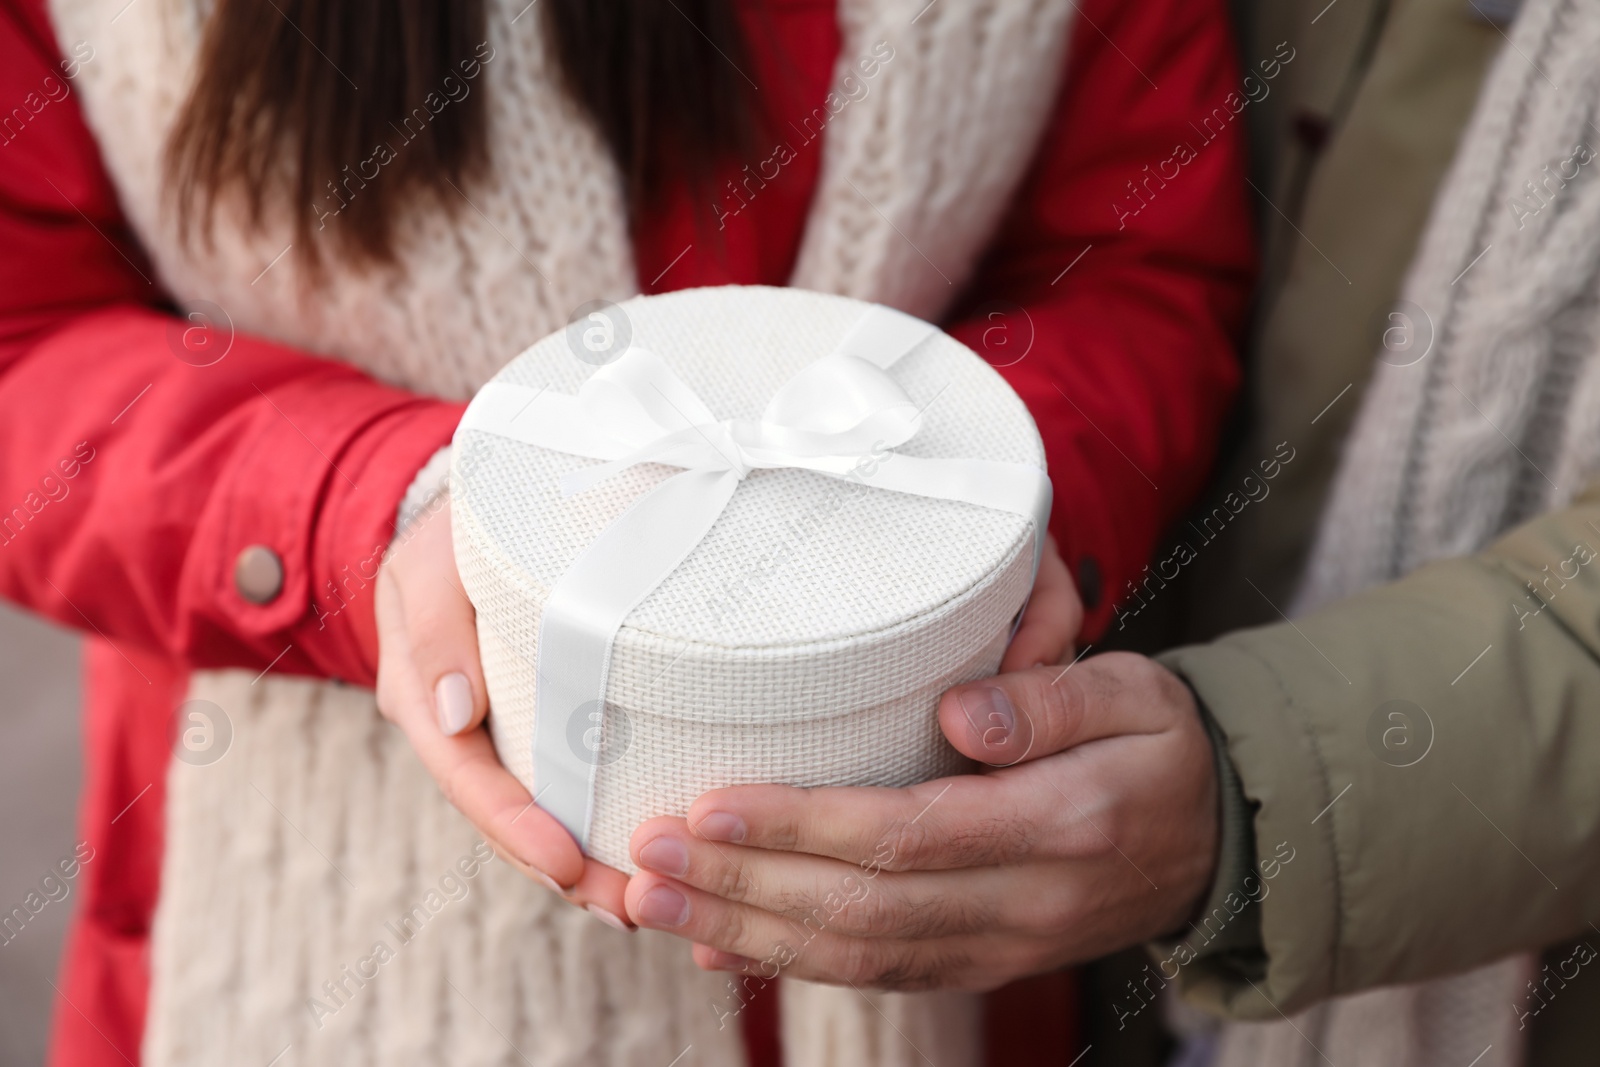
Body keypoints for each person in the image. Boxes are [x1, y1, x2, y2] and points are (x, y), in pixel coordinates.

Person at [0, 0, 1253, 1064]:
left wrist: (998, 510)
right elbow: (25, 338)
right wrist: (366, 505)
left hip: (924, 894)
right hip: (308, 906)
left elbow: (1132, 260)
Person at [631, 2, 1600, 1066]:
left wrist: (1247, 798)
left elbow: (1134, 255)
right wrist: (425, 492)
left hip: (1416, 943)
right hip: (1079, 853)